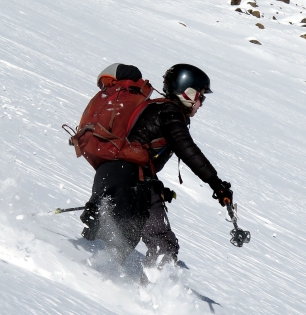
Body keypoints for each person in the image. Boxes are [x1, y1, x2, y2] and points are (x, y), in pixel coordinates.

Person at [80, 63, 233, 275]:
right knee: (160, 243)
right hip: (132, 180)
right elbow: (186, 149)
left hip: (112, 174)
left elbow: (142, 150)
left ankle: (82, 270)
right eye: (201, 97)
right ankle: (154, 297)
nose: (201, 103)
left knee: (109, 238)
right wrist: (216, 184)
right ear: (187, 93)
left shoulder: (155, 108)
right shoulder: (169, 112)